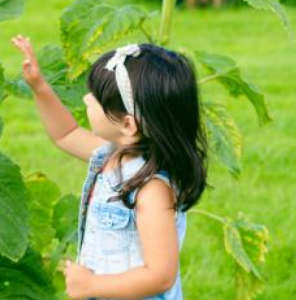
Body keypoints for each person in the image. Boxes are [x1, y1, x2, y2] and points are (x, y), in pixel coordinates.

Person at [12, 35, 207, 300]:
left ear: (128, 126)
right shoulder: (112, 155)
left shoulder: (153, 191)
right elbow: (65, 134)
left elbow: (161, 275)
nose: (85, 99)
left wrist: (92, 285)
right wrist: (39, 86)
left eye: (96, 98)